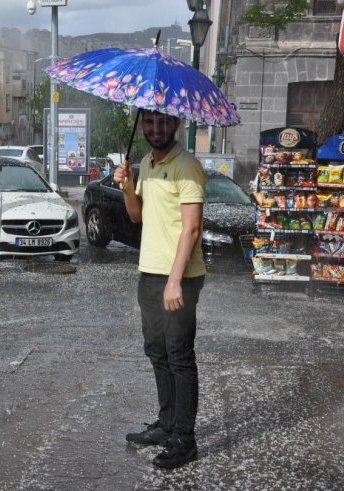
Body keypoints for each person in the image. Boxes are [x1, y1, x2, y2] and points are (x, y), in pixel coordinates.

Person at [113, 108, 206, 469]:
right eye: (149, 122)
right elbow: (137, 215)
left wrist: (174, 280)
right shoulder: (148, 165)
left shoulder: (187, 167)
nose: (155, 128)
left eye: (163, 122)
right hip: (150, 271)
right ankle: (167, 424)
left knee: (179, 355)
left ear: (177, 124)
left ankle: (185, 439)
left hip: (178, 277)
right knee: (157, 350)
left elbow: (192, 229)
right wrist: (126, 185)